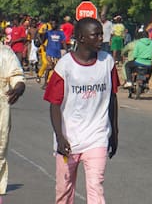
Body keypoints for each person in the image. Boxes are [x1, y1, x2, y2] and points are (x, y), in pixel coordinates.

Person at [43, 17, 119, 204]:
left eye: (101, 34)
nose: (101, 38)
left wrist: (114, 132)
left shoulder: (107, 62)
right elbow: (54, 103)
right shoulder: (65, 66)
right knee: (64, 191)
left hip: (97, 137)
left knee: (96, 188)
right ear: (81, 38)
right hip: (69, 140)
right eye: (96, 35)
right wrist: (60, 137)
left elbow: (112, 98)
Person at [0, 44, 25, 202]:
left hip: (1, 109)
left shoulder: (4, 53)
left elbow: (17, 76)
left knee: (0, 151)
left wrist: (19, 87)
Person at [41, 19, 67, 90]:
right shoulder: (48, 32)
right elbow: (43, 40)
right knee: (49, 67)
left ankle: (55, 83)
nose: (53, 25)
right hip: (49, 52)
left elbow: (64, 42)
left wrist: (66, 51)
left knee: (56, 69)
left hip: (57, 54)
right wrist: (43, 34)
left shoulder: (61, 33)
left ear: (57, 24)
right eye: (52, 24)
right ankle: (45, 83)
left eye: (54, 24)